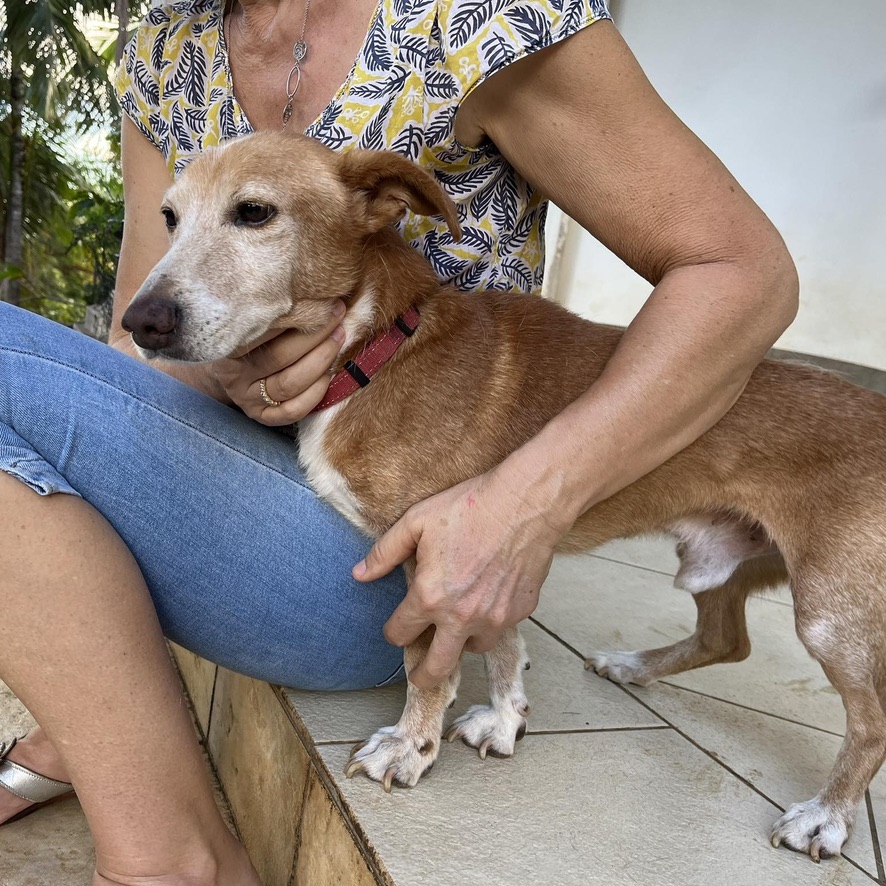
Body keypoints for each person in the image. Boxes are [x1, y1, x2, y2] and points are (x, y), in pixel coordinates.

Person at [0, 0, 798, 882]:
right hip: (240, 504)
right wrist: (228, 368)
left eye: (254, 216)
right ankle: (95, 714)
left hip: (384, 574)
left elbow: (743, 274)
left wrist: (521, 508)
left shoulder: (476, 19)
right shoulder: (162, 45)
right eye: (178, 221)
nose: (187, 249)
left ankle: (171, 856)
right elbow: (137, 340)